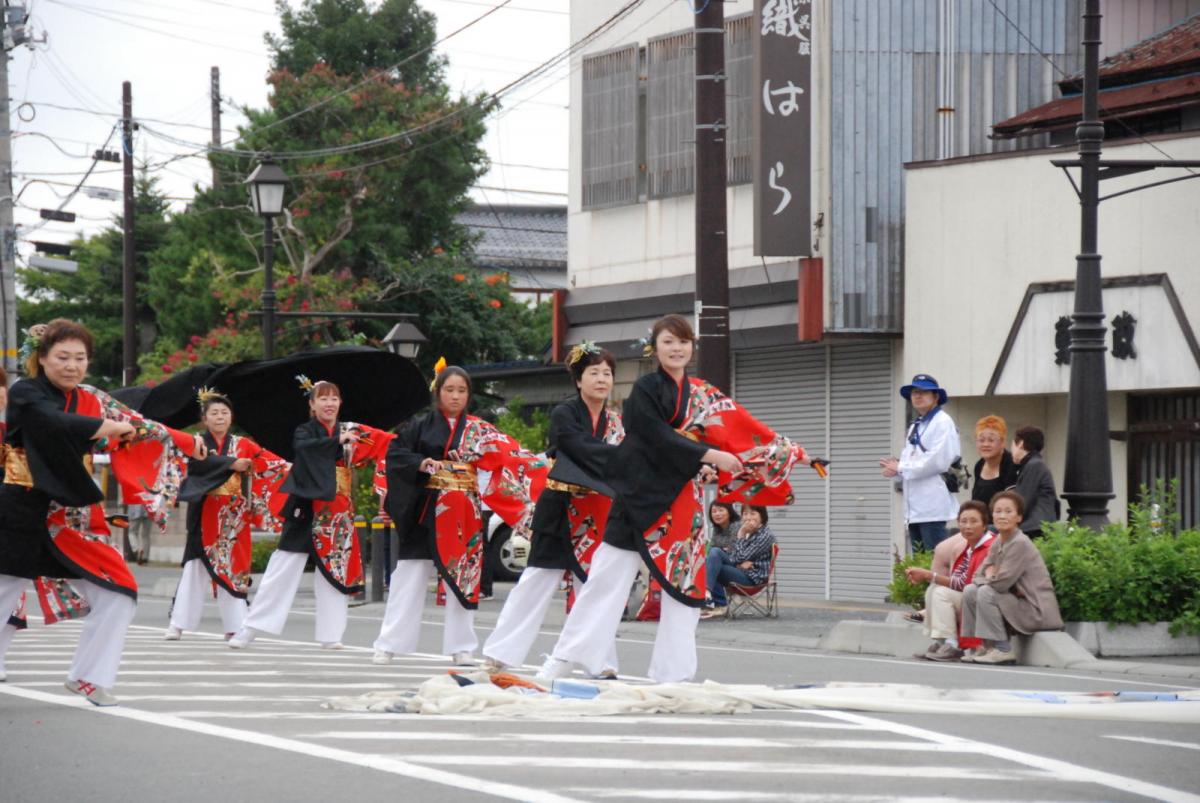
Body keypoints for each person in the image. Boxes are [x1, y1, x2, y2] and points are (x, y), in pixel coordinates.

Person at [536, 314, 813, 684]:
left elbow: (744, 428)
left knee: (685, 585)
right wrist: (709, 456)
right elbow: (651, 435)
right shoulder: (646, 389)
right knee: (605, 579)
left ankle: (674, 674)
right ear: (656, 348)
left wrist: (797, 453)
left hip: (682, 498)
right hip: (638, 495)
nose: (677, 348)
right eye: (668, 342)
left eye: (683, 341)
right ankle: (564, 658)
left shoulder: (702, 393)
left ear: (692, 347)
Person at [0, 319, 202, 705]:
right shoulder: (27, 392)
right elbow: (53, 421)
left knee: (120, 591)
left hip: (70, 517)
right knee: (4, 594)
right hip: (20, 509)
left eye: (80, 358)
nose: (72, 365)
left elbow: (139, 424)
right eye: (62, 357)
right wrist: (103, 426)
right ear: (42, 359)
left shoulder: (91, 397)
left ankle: (90, 677)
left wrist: (187, 440)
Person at [374, 363, 546, 666]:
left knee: (464, 575)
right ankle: (389, 642)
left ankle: (462, 646)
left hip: (464, 511)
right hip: (426, 509)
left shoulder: (481, 430)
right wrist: (424, 463)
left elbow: (508, 456)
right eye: (449, 390)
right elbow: (397, 455)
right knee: (410, 576)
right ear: (438, 391)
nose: (455, 396)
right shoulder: (419, 426)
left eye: (462, 390)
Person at [482, 343, 623, 674]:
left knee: (592, 585)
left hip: (596, 510)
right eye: (594, 372)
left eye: (607, 373)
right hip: (560, 505)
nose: (602, 379)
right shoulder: (565, 414)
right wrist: (620, 459)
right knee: (537, 578)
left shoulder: (614, 422)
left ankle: (599, 660)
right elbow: (576, 447)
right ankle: (501, 652)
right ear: (578, 380)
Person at [229, 379, 393, 650]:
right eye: (323, 399)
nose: (329, 403)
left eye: (334, 398)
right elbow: (304, 450)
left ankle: (331, 635)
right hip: (307, 506)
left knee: (334, 569)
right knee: (284, 565)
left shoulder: (354, 430)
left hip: (339, 510)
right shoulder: (305, 431)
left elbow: (389, 445)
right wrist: (337, 441)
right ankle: (251, 627)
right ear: (312, 404)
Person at [166, 389, 287, 641]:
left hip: (234, 515)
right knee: (195, 567)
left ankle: (235, 625)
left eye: (224, 412)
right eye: (214, 413)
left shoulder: (244, 444)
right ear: (204, 418)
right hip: (204, 512)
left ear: (231, 417)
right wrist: (231, 464)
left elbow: (268, 461)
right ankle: (178, 624)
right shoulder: (196, 442)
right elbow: (194, 465)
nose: (220, 417)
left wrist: (292, 467)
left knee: (233, 568)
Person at [961, 490, 1064, 664]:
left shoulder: (1020, 543)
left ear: (1019, 517)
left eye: (1008, 512)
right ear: (992, 516)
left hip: (1034, 609)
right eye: (998, 511)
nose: (1002, 516)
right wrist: (988, 575)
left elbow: (1001, 584)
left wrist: (990, 576)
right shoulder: (998, 542)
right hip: (1014, 601)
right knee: (971, 590)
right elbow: (977, 575)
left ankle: (1003, 650)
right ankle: (982, 647)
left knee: (986, 592)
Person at [906, 500, 995, 661]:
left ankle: (952, 644)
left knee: (940, 592)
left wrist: (928, 575)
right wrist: (930, 577)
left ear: (984, 525)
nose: (968, 526)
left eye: (974, 521)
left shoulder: (989, 546)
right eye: (963, 521)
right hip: (970, 597)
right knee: (934, 589)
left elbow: (965, 584)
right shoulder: (968, 547)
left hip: (984, 600)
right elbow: (958, 580)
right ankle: (940, 642)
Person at [880, 373, 960, 552]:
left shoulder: (943, 422)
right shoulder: (917, 424)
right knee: (919, 562)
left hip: (932, 505)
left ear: (936, 397)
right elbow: (912, 458)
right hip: (915, 507)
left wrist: (901, 467)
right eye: (914, 392)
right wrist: (896, 469)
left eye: (924, 392)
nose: (917, 396)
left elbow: (938, 460)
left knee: (934, 560)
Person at [701, 504, 776, 619]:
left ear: (762, 516)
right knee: (714, 555)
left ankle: (713, 599)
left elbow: (739, 556)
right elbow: (734, 557)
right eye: (745, 514)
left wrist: (741, 534)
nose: (748, 517)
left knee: (713, 560)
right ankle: (710, 595)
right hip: (742, 571)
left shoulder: (764, 535)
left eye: (753, 513)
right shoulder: (750, 532)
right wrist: (740, 562)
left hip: (752, 579)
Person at [1011, 426, 1059, 537]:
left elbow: (1023, 502)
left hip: (1034, 529)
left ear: (1020, 444)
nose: (1011, 451)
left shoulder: (1034, 465)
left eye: (1012, 445)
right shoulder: (1035, 464)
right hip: (1038, 527)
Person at [971, 415, 1018, 506]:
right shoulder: (979, 465)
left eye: (991, 440)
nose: (986, 444)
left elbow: (1012, 503)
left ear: (1002, 442)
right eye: (981, 440)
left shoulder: (1011, 464)